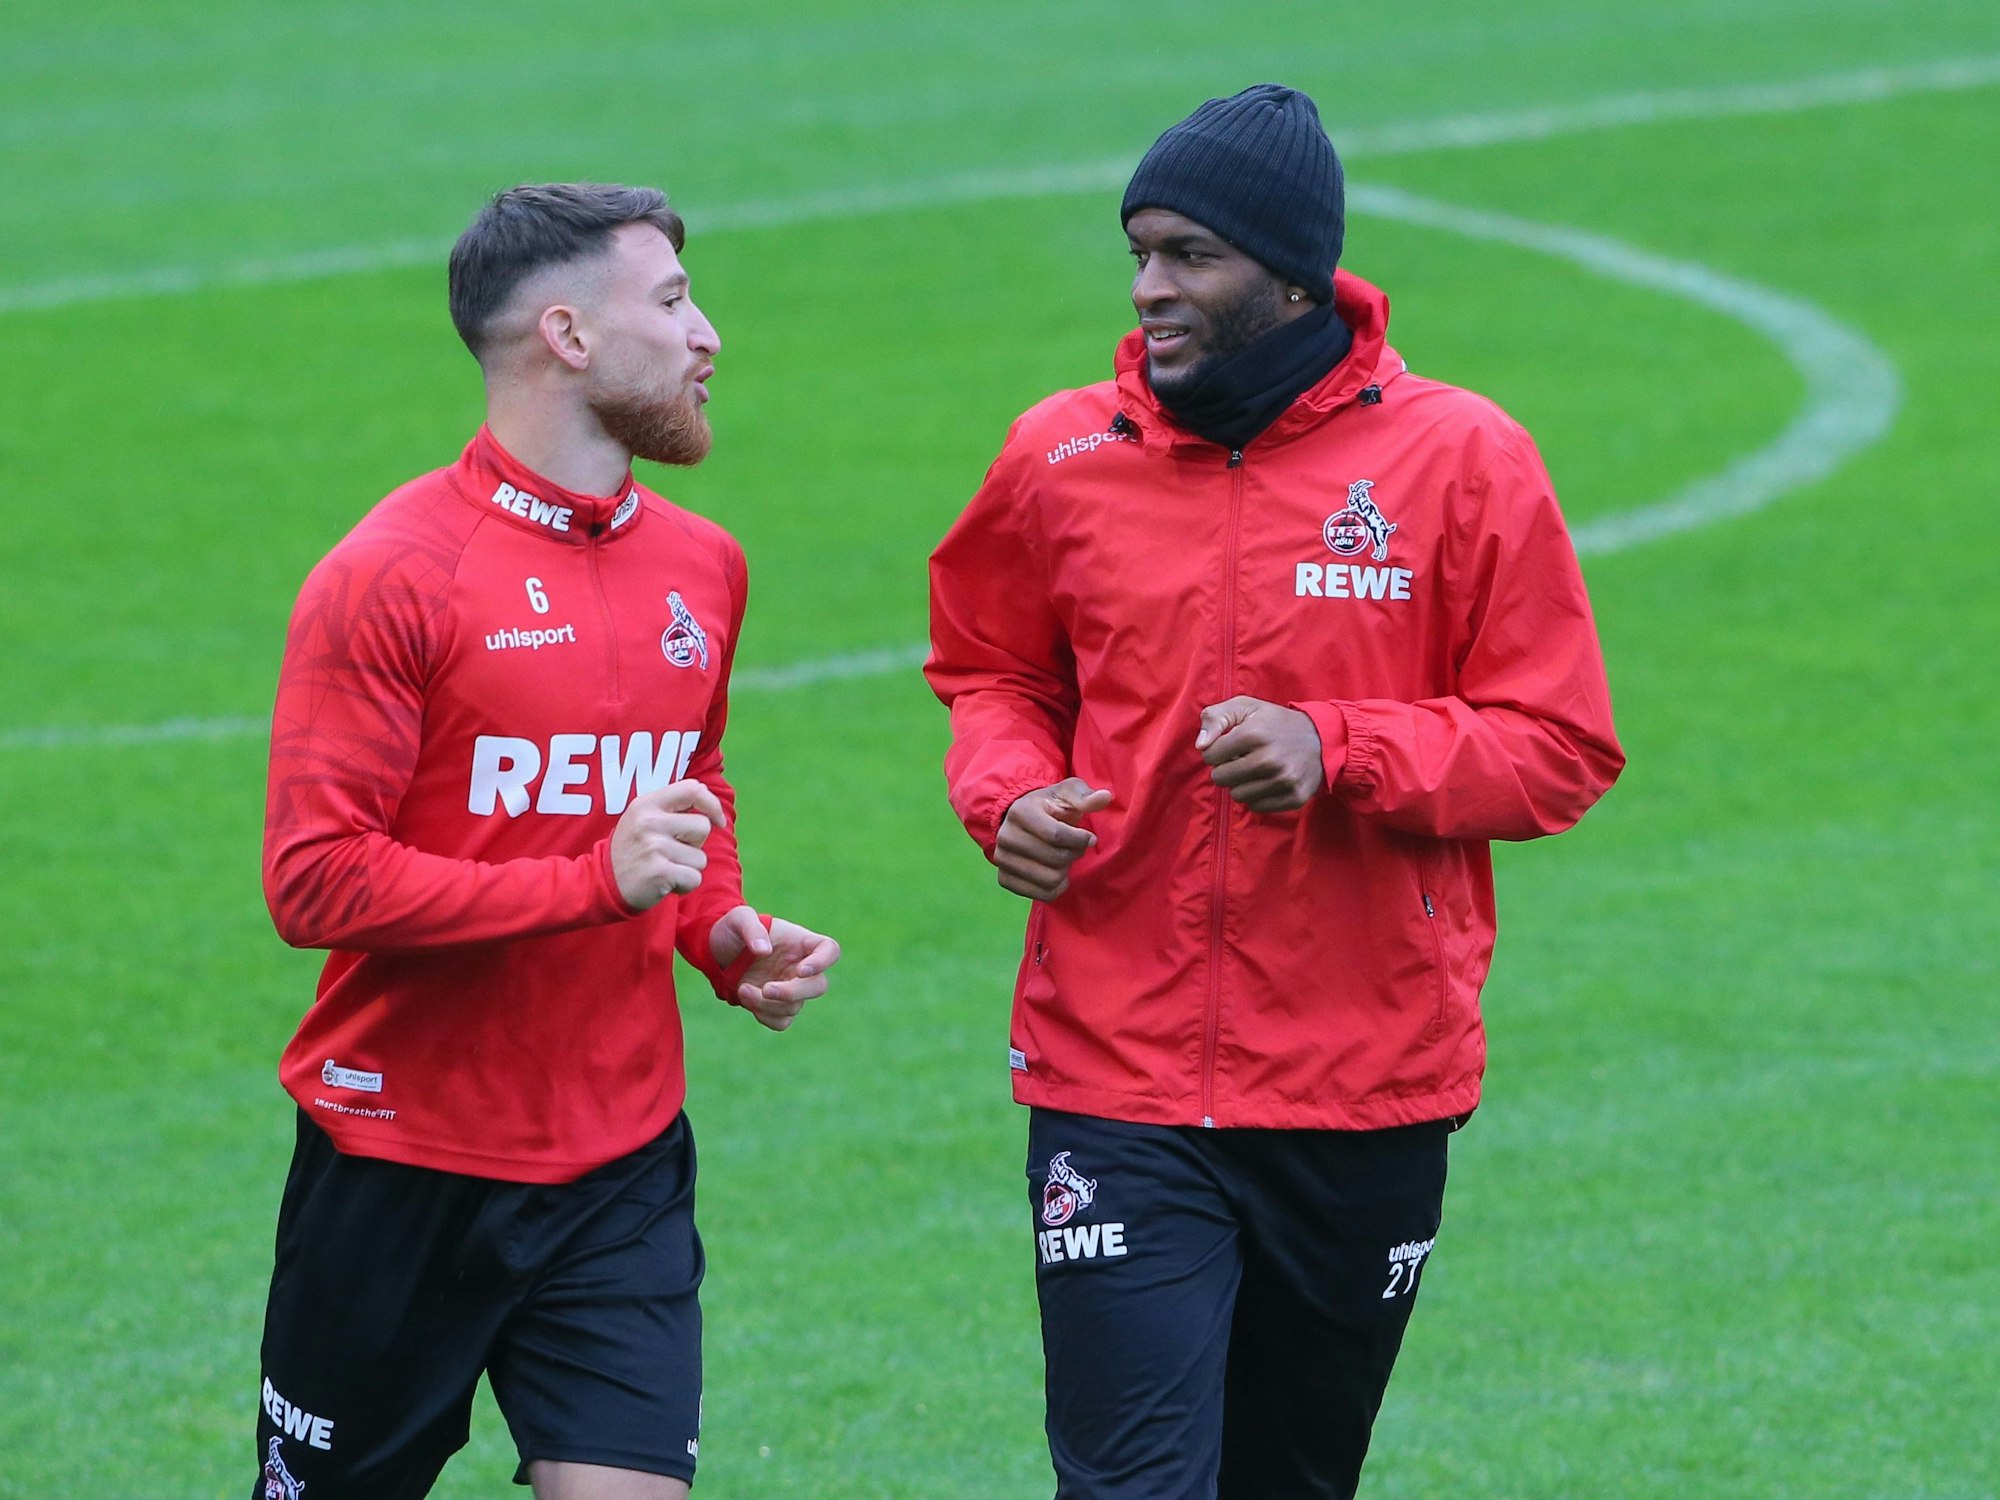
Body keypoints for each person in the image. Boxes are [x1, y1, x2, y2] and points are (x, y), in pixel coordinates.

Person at [926, 86, 1623, 1498]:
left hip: (1363, 1083)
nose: (1146, 289)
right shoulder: (1058, 455)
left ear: (1293, 270)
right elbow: (992, 669)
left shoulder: (1461, 458)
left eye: (1189, 255)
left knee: (1289, 1481)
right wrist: (1008, 791)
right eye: (1139, 251)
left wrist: (1344, 748)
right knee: (1131, 1482)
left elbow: (1559, 746)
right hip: (1114, 1071)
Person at [254, 182, 839, 1500]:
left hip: (621, 1159)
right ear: (570, 336)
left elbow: (687, 784)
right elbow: (313, 876)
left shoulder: (703, 566)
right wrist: (591, 883)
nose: (711, 339)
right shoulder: (392, 575)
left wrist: (720, 933)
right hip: (403, 1161)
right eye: (676, 303)